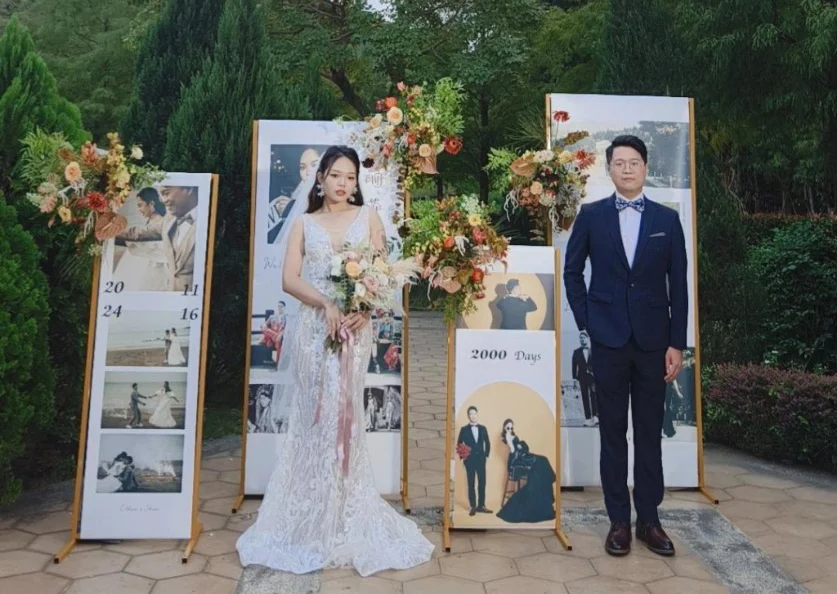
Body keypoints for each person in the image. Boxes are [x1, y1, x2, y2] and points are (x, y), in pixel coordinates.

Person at [236, 146, 433, 576]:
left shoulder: (370, 218)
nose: (343, 184)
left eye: (351, 177)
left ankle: (344, 513)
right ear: (320, 178)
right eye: (336, 175)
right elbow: (289, 279)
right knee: (315, 417)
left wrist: (366, 309)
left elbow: (383, 276)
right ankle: (309, 515)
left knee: (345, 414)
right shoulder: (304, 223)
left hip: (355, 332)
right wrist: (325, 303)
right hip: (314, 332)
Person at [564, 135, 688, 557]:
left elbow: (679, 285)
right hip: (608, 341)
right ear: (609, 169)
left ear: (646, 168)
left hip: (654, 343)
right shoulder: (591, 215)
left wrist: (677, 343)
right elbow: (572, 272)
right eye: (620, 163)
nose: (628, 169)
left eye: (635, 162)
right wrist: (588, 322)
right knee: (613, 434)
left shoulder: (667, 220)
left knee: (649, 434)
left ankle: (649, 520)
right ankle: (618, 521)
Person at [116, 186, 199, 292]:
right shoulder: (167, 222)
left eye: (166, 193)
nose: (164, 200)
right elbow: (138, 233)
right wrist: (113, 232)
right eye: (162, 195)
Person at [496, 419, 556, 523]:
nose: (510, 429)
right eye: (508, 427)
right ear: (504, 428)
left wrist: (520, 445)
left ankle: (548, 479)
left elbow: (520, 447)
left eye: (511, 427)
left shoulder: (512, 435)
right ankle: (549, 478)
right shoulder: (507, 436)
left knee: (542, 460)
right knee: (539, 461)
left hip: (522, 455)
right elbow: (513, 450)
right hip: (516, 459)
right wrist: (512, 441)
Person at [112, 188, 170, 291]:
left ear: (151, 204)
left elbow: (137, 234)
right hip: (144, 267)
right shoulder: (151, 223)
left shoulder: (161, 224)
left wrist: (112, 233)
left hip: (155, 272)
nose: (139, 209)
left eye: (140, 205)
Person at [268, 148, 321, 244]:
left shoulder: (328, 196)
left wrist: (290, 208)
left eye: (314, 165)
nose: (308, 171)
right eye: (302, 167)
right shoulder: (299, 195)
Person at [456, 406, 492, 517]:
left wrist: (486, 456)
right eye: (470, 414)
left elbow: (488, 443)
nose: (473, 416)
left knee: (482, 483)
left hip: (481, 460)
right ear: (468, 416)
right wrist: (464, 458)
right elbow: (459, 444)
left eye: (474, 413)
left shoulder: (483, 428)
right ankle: (473, 506)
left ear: (477, 414)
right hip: (470, 461)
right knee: (471, 483)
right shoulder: (464, 429)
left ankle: (481, 505)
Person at [572, 330, 599, 427]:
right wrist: (574, 379)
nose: (582, 340)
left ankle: (595, 417)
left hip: (592, 377)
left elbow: (597, 364)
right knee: (585, 397)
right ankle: (587, 418)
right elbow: (574, 366)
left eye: (584, 338)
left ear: (587, 339)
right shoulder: (576, 352)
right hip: (582, 377)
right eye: (580, 338)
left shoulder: (593, 351)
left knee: (594, 395)